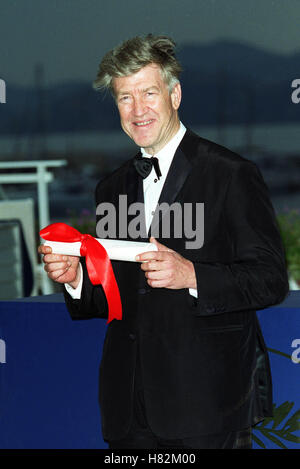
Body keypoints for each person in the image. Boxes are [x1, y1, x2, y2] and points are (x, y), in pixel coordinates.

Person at [38, 34, 289, 449]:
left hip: (207, 406)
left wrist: (191, 274)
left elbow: (270, 279)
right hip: (127, 409)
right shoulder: (111, 187)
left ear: (174, 94)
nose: (137, 110)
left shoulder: (231, 174)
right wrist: (76, 278)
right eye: (125, 98)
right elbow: (112, 299)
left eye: (148, 93)